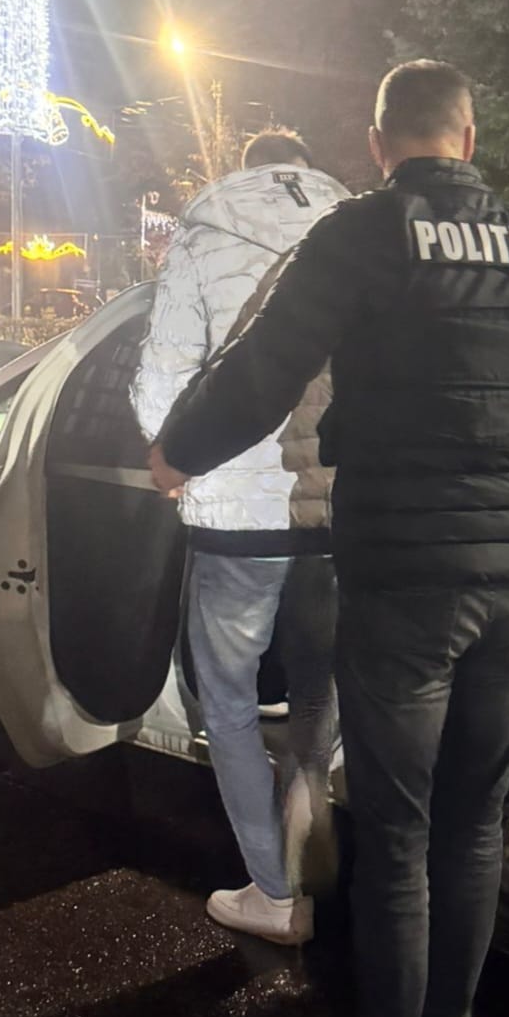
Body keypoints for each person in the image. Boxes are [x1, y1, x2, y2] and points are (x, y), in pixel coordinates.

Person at [149, 61, 509, 1017]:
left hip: (402, 579)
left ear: (379, 145)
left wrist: (177, 452)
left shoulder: (362, 234)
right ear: (469, 137)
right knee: (472, 818)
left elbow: (263, 371)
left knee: (399, 829)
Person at [134, 129, 349, 945]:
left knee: (225, 700)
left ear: (247, 168)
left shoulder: (206, 226)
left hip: (236, 516)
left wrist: (173, 454)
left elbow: (164, 374)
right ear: (304, 166)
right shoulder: (355, 224)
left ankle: (274, 893)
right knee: (318, 696)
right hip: (334, 509)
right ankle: (308, 817)